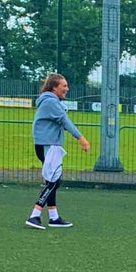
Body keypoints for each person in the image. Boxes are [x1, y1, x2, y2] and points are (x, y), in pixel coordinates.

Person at [26, 73, 90, 230]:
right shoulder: (50, 102)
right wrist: (81, 138)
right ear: (54, 87)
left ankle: (53, 217)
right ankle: (35, 215)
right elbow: (64, 120)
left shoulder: (49, 101)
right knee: (54, 181)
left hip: (47, 144)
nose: (67, 89)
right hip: (49, 145)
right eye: (64, 86)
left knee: (53, 180)